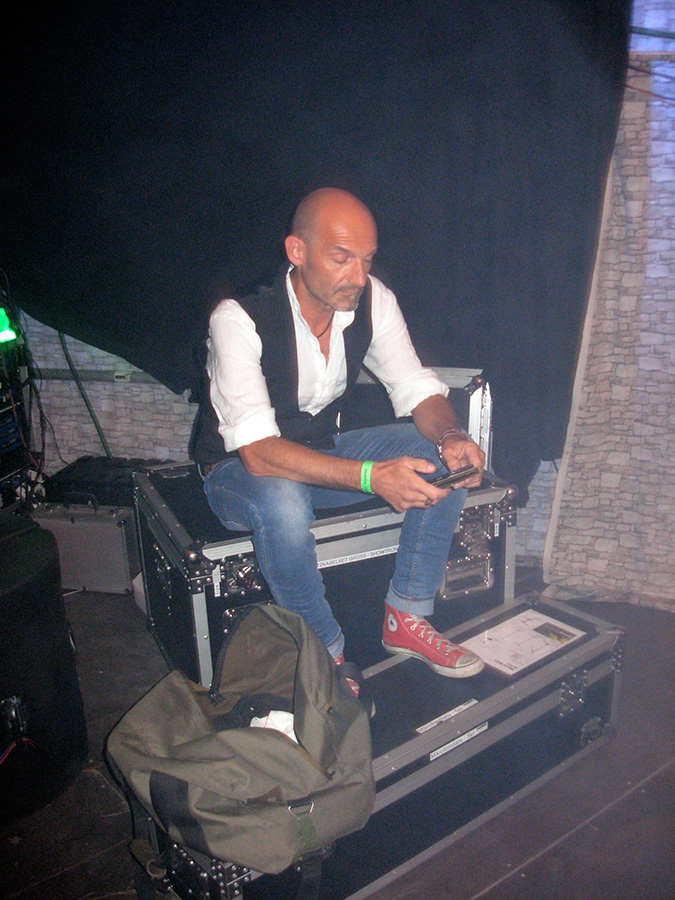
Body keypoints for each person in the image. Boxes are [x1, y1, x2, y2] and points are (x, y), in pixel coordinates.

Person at [191, 188, 486, 680]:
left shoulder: (373, 300)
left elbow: (415, 386)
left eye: (367, 259)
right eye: (342, 257)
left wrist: (452, 436)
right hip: (237, 471)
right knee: (284, 504)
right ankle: (325, 655)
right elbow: (259, 453)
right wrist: (371, 477)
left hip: (320, 453)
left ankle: (407, 615)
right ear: (297, 251)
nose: (358, 276)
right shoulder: (238, 318)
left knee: (440, 457)